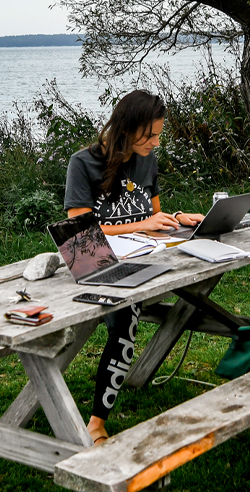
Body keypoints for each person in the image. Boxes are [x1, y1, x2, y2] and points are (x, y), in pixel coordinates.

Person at [63, 90, 204, 445]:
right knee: (126, 320)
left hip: (145, 258)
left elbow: (152, 213)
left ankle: (99, 415)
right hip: (95, 263)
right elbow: (79, 232)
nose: (156, 143)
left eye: (159, 134)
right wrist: (141, 225)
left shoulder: (147, 161)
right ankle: (96, 423)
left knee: (153, 302)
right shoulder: (83, 164)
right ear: (125, 129)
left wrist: (176, 218)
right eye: (150, 135)